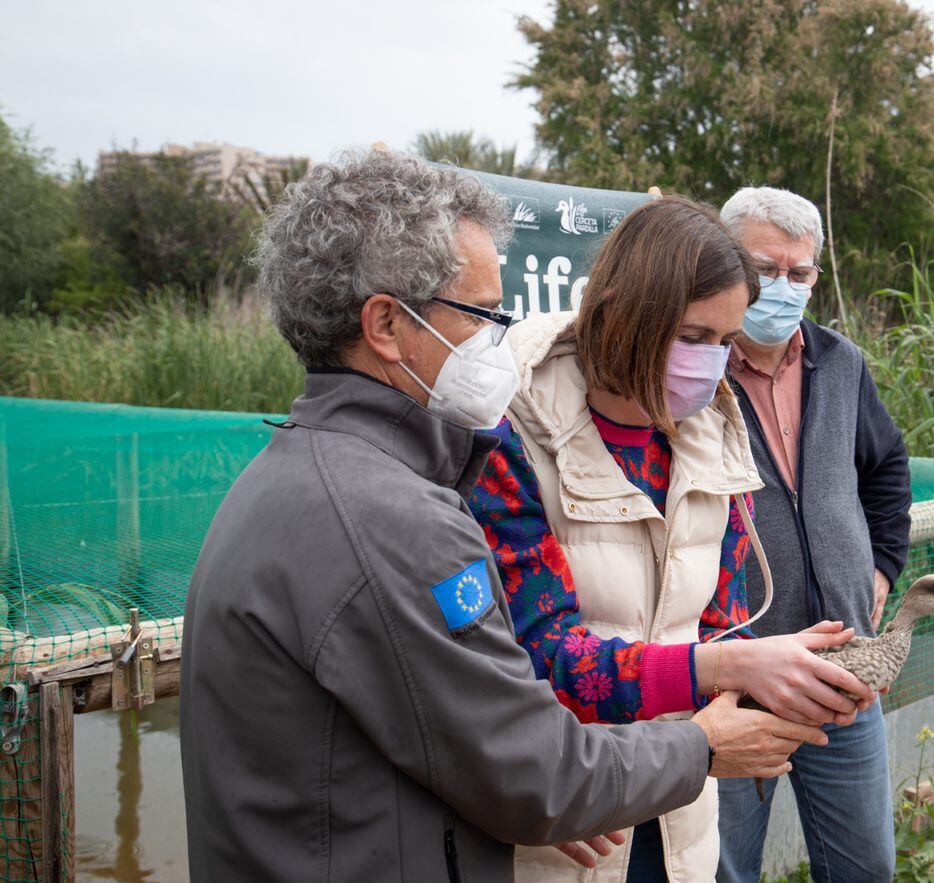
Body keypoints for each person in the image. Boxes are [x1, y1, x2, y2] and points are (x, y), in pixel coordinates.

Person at [179, 153, 826, 883]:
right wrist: (700, 743)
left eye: (723, 343)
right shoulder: (398, 517)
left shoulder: (296, 476)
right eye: (484, 316)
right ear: (388, 324)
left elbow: (445, 734)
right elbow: (528, 764)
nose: (501, 341)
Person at [467, 195, 876, 883]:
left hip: (679, 805)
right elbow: (539, 649)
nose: (710, 363)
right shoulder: (509, 434)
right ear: (626, 314)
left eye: (725, 342)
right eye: (692, 336)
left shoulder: (715, 437)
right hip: (566, 809)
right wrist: (729, 672)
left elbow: (719, 620)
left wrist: (795, 683)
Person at [715, 187, 913, 883]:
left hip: (842, 668)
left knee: (865, 865)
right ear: (726, 260)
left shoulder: (841, 361)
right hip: (729, 678)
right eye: (766, 269)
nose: (784, 287)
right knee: (721, 868)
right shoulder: (692, 367)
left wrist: (882, 568)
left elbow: (887, 466)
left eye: (800, 274)